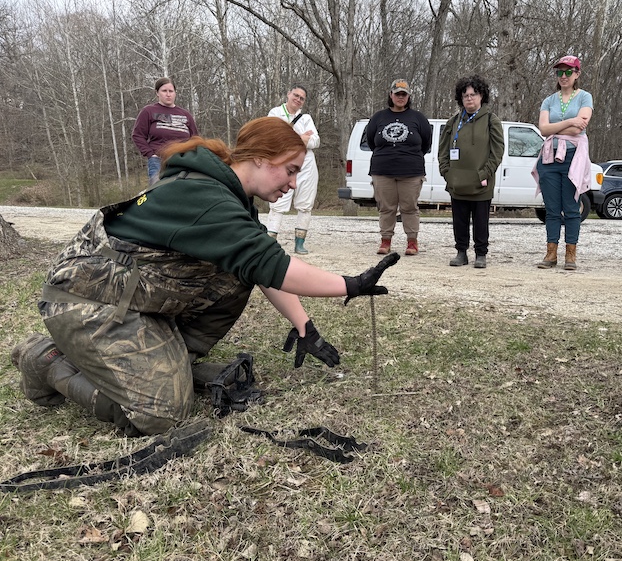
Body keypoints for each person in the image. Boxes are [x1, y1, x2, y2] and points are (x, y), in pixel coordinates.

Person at [10, 117, 399, 437]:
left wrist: (304, 326)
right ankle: (47, 361)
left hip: (130, 297)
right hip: (85, 301)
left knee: (234, 277)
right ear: (262, 158)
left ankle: (167, 363)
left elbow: (261, 268)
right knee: (162, 415)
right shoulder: (206, 197)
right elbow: (277, 267)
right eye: (291, 170)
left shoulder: (230, 198)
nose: (293, 183)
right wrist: (352, 284)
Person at [533, 55, 593, 271]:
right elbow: (543, 129)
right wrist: (569, 121)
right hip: (549, 158)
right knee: (551, 209)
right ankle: (550, 253)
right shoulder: (549, 100)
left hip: (572, 158)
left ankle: (570, 254)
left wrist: (556, 126)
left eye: (569, 71)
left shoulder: (585, 97)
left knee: (571, 208)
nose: (564, 76)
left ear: (577, 73)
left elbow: (580, 128)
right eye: (560, 72)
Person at [438, 75, 504, 268]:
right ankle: (461, 252)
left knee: (481, 221)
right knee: (459, 220)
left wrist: (484, 174)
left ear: (481, 95)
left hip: (481, 183)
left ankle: (481, 254)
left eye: (473, 94)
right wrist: (446, 173)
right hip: (457, 182)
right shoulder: (453, 122)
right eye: (465, 95)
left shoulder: (492, 121)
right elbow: (442, 151)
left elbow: (497, 151)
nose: (469, 98)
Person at [366, 79, 432, 256]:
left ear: (408, 96)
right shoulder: (378, 117)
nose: (400, 97)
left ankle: (412, 242)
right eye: (397, 94)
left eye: (404, 94)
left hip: (411, 172)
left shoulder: (418, 118)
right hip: (382, 171)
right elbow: (372, 142)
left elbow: (426, 143)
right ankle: (385, 240)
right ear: (391, 95)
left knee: (409, 207)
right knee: (386, 207)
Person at [266, 85, 320, 254]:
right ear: (288, 94)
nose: (297, 99)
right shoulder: (275, 113)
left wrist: (297, 139)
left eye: (301, 98)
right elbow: (273, 137)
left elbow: (315, 142)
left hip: (307, 163)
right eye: (295, 95)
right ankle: (269, 243)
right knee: (278, 203)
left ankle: (299, 243)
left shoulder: (306, 118)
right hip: (283, 163)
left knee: (305, 204)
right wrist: (301, 138)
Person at [132, 77, 198, 186]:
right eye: (164, 91)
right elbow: (137, 135)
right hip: (159, 160)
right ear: (157, 92)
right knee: (158, 191)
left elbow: (195, 139)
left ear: (175, 93)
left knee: (183, 191)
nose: (168, 94)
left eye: (171, 91)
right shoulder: (148, 111)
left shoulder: (185, 115)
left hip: (183, 160)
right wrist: (150, 154)